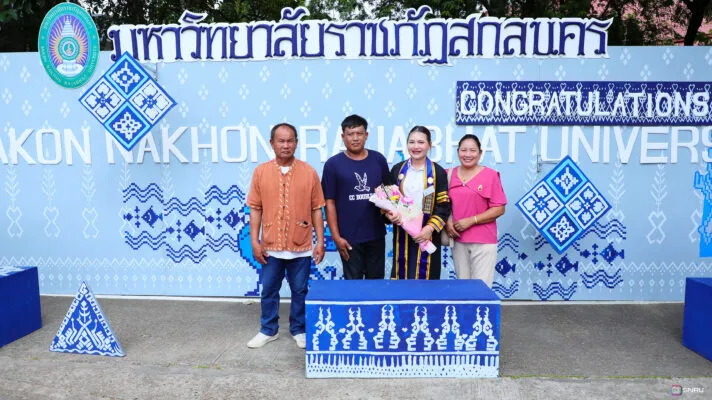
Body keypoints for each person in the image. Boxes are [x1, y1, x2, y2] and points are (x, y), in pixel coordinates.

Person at [246, 123, 326, 349]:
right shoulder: (261, 172)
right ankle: (268, 329)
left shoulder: (309, 172)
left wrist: (320, 242)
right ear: (272, 143)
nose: (286, 145)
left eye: (290, 140)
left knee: (300, 290)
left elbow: (316, 209)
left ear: (296, 143)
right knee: (269, 290)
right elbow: (255, 209)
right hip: (270, 245)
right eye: (281, 141)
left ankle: (298, 329)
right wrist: (254, 241)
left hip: (301, 245)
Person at [321, 115, 391, 280]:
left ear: (366, 135)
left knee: (376, 284)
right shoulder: (333, 165)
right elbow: (329, 202)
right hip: (348, 239)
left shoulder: (378, 160)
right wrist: (336, 237)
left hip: (376, 235)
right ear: (342, 137)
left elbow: (389, 193)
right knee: (352, 287)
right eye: (350, 134)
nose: (355, 138)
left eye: (359, 133)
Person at [386, 126, 451, 280]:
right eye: (412, 142)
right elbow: (389, 199)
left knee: (426, 279)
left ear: (430, 145)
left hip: (428, 233)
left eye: (421, 142)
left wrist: (429, 228)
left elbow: (443, 206)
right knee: (402, 277)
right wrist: (390, 214)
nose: (416, 146)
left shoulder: (438, 172)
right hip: (402, 231)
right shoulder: (397, 170)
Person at [445, 134, 507, 288]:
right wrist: (447, 222)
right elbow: (441, 205)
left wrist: (472, 220)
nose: (468, 154)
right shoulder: (448, 174)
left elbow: (499, 208)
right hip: (458, 240)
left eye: (472, 150)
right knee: (462, 286)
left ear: (480, 153)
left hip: (484, 241)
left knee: (481, 288)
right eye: (463, 150)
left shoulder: (490, 175)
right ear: (458, 152)